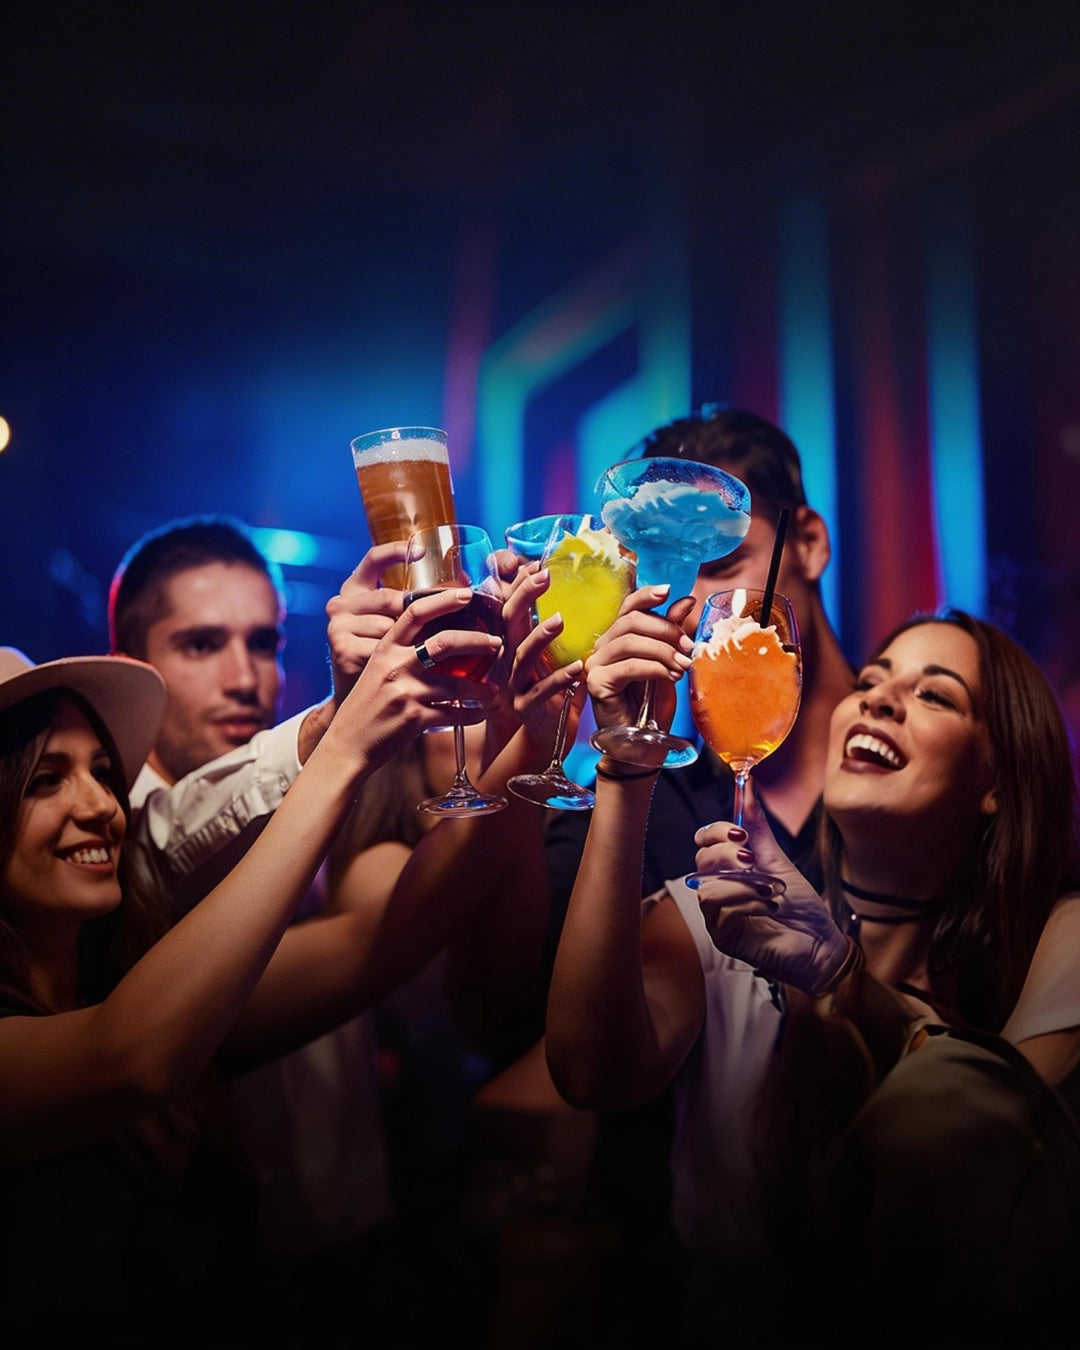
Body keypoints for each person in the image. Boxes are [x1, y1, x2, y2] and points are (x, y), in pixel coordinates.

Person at [545, 605, 1080, 1345]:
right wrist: (627, 769)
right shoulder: (720, 925)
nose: (879, 700)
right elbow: (589, 1073)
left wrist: (839, 975)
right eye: (870, 680)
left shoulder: (1048, 948)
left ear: (997, 779)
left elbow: (1002, 1154)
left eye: (935, 694)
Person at [0, 592, 502, 1341]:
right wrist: (340, 751)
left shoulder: (137, 981)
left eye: (103, 772)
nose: (100, 805)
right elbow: (128, 1057)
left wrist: (523, 722)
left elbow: (387, 939)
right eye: (45, 780)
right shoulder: (140, 1021)